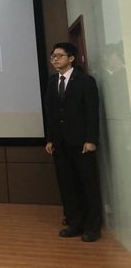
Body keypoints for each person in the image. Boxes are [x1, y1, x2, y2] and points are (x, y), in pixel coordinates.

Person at [44, 42, 102, 242]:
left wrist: (91, 139)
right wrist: (50, 138)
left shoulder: (85, 81)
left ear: (71, 58)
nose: (55, 59)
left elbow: (92, 112)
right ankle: (74, 223)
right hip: (60, 143)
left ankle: (93, 227)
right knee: (67, 184)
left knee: (88, 184)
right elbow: (51, 112)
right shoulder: (52, 81)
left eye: (59, 56)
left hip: (81, 142)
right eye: (53, 56)